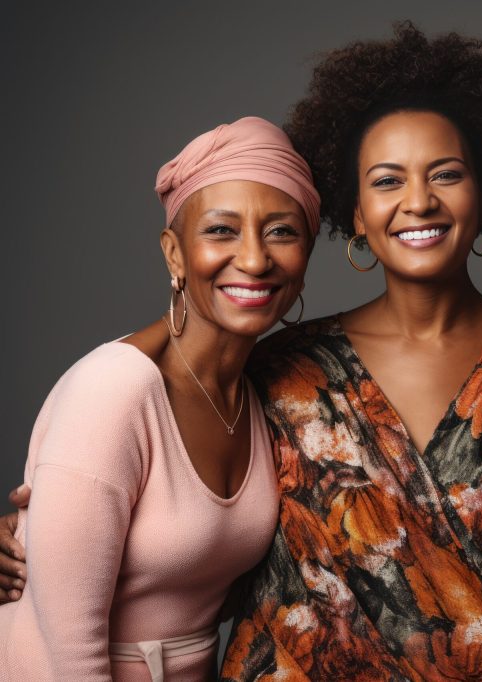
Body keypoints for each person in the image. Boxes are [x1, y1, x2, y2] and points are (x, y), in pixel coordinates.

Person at [213, 25, 482, 680]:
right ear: (356, 212)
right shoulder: (280, 371)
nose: (419, 201)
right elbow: (187, 518)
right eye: (387, 181)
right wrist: (48, 538)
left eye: (446, 174)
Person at [0, 117, 320, 680]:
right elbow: (66, 650)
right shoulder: (113, 389)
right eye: (221, 231)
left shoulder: (259, 395)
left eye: (281, 232)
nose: (254, 259)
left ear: (306, 255)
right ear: (174, 254)